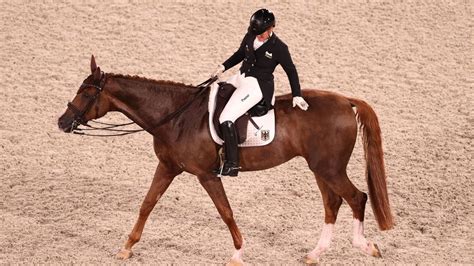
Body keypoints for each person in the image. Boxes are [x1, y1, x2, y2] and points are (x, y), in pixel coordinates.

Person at [211, 8, 309, 177]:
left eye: (262, 33)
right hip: (241, 77)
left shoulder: (279, 48)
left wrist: (297, 94)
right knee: (214, 91)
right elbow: (241, 53)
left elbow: (291, 71)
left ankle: (232, 164)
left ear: (271, 28)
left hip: (257, 86)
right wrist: (223, 66)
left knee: (226, 117)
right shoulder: (251, 34)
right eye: (256, 33)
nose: (258, 36)